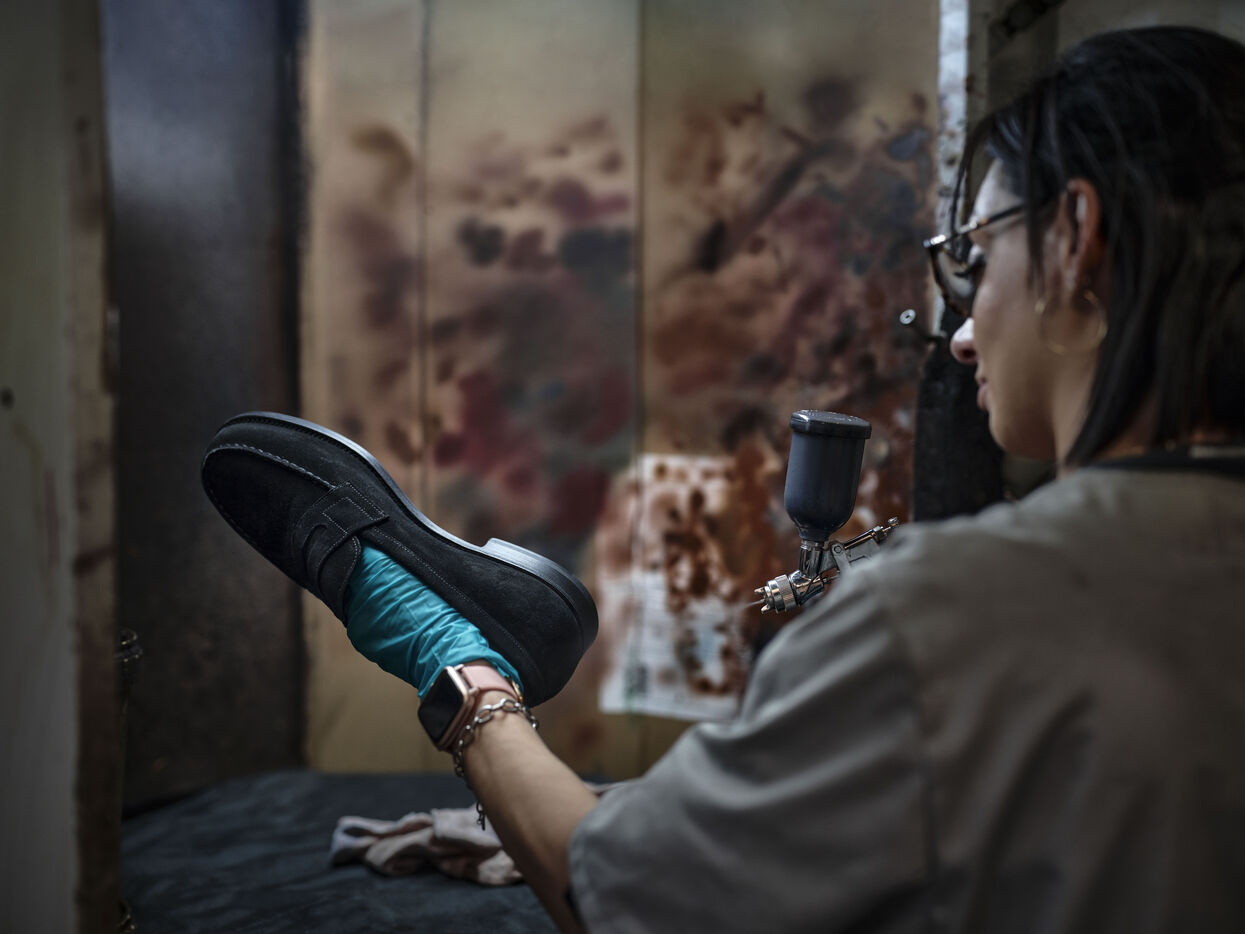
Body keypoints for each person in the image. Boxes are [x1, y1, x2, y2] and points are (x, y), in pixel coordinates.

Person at [203, 25, 1245, 933]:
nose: (963, 332)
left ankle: (456, 640)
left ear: (1077, 240)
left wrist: (462, 685)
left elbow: (614, 900)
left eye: (973, 257)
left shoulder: (954, 610)